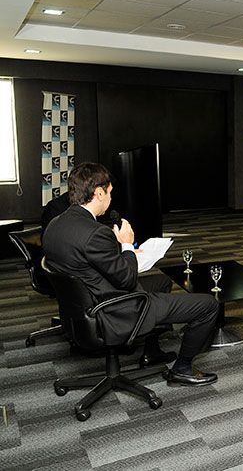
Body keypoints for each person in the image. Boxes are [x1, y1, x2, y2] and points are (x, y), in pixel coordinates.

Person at [43, 162, 219, 386]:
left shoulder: (55, 224)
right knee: (207, 306)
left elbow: (83, 258)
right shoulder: (95, 233)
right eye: (109, 193)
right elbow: (126, 279)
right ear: (98, 193)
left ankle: (151, 351)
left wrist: (117, 251)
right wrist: (126, 245)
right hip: (114, 308)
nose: (110, 198)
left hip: (81, 306)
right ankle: (182, 369)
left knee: (161, 281)